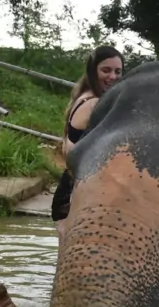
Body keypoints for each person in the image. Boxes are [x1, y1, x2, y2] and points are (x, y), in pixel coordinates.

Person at [51, 45, 124, 242]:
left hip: (70, 193)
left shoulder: (84, 96)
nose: (113, 77)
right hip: (74, 196)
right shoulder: (95, 105)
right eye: (106, 70)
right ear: (93, 71)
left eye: (118, 71)